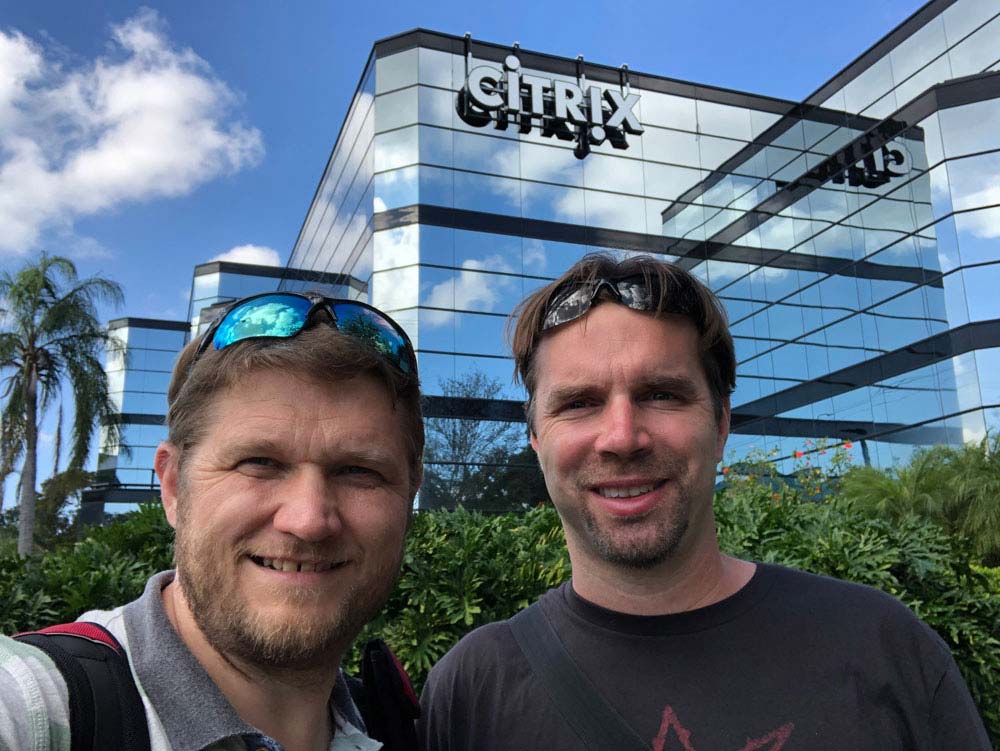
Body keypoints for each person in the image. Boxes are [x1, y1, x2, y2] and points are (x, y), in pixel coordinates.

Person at [418, 253, 990, 750]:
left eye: (662, 394)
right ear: (537, 441)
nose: (621, 437)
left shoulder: (883, 646)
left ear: (720, 425)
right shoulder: (468, 692)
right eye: (579, 403)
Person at [0, 292, 424, 751]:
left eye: (359, 471)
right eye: (259, 462)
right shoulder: (33, 705)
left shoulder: (397, 725)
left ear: (409, 495)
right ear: (174, 487)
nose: (308, 520)